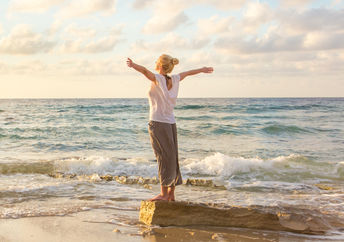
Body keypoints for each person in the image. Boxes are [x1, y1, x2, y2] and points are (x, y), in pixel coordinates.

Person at [127, 54, 213, 201]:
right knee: (172, 158)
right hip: (171, 123)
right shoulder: (175, 79)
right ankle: (171, 194)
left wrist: (133, 65)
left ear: (160, 65)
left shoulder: (158, 78)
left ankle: (163, 194)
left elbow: (144, 71)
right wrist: (203, 69)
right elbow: (189, 72)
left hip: (158, 123)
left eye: (157, 62)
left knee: (162, 157)